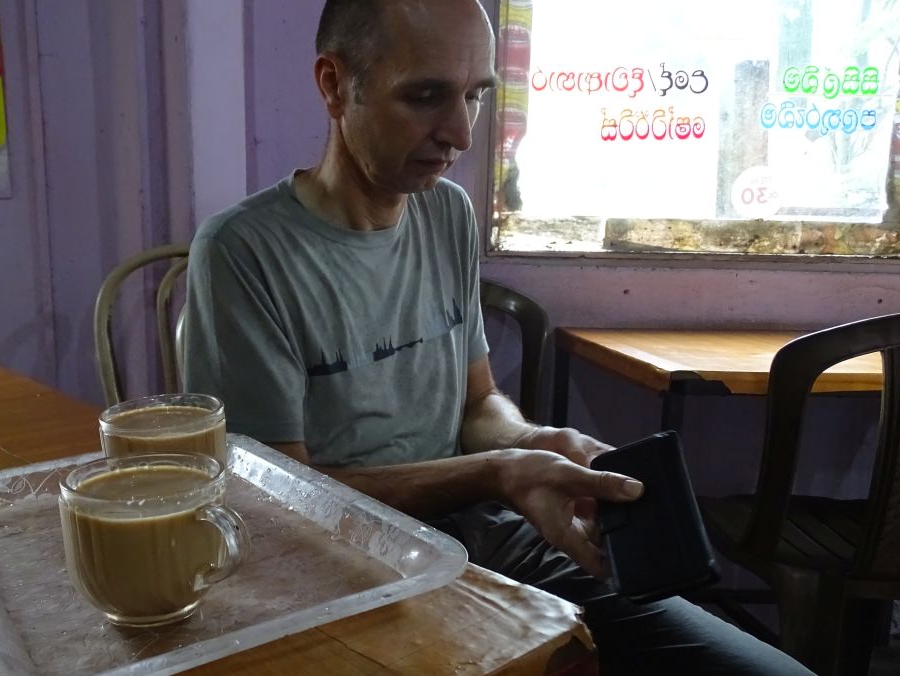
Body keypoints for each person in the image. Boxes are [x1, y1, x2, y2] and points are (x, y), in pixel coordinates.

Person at [182, 0, 811, 673]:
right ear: (335, 85)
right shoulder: (244, 254)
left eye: (476, 95)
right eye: (424, 96)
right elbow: (279, 502)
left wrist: (530, 443)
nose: (459, 133)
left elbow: (477, 404)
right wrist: (494, 472)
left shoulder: (446, 212)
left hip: (483, 536)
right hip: (341, 572)